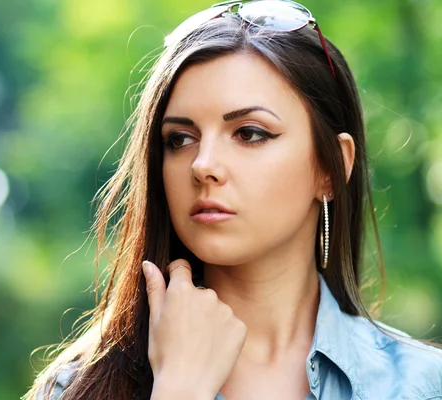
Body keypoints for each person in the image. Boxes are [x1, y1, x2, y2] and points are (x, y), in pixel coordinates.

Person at [23, 1, 442, 399]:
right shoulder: (79, 387)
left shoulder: (425, 386)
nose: (203, 165)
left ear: (331, 169)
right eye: (180, 139)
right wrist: (179, 388)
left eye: (249, 133)